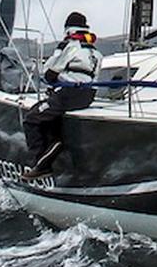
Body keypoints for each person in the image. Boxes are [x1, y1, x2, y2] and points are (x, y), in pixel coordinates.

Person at [22, 12, 101, 173]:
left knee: (31, 118)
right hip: (88, 97)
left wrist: (55, 69)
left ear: (68, 30)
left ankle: (39, 164)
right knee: (51, 115)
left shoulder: (69, 46)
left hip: (69, 94)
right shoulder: (96, 53)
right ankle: (54, 143)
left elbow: (49, 72)